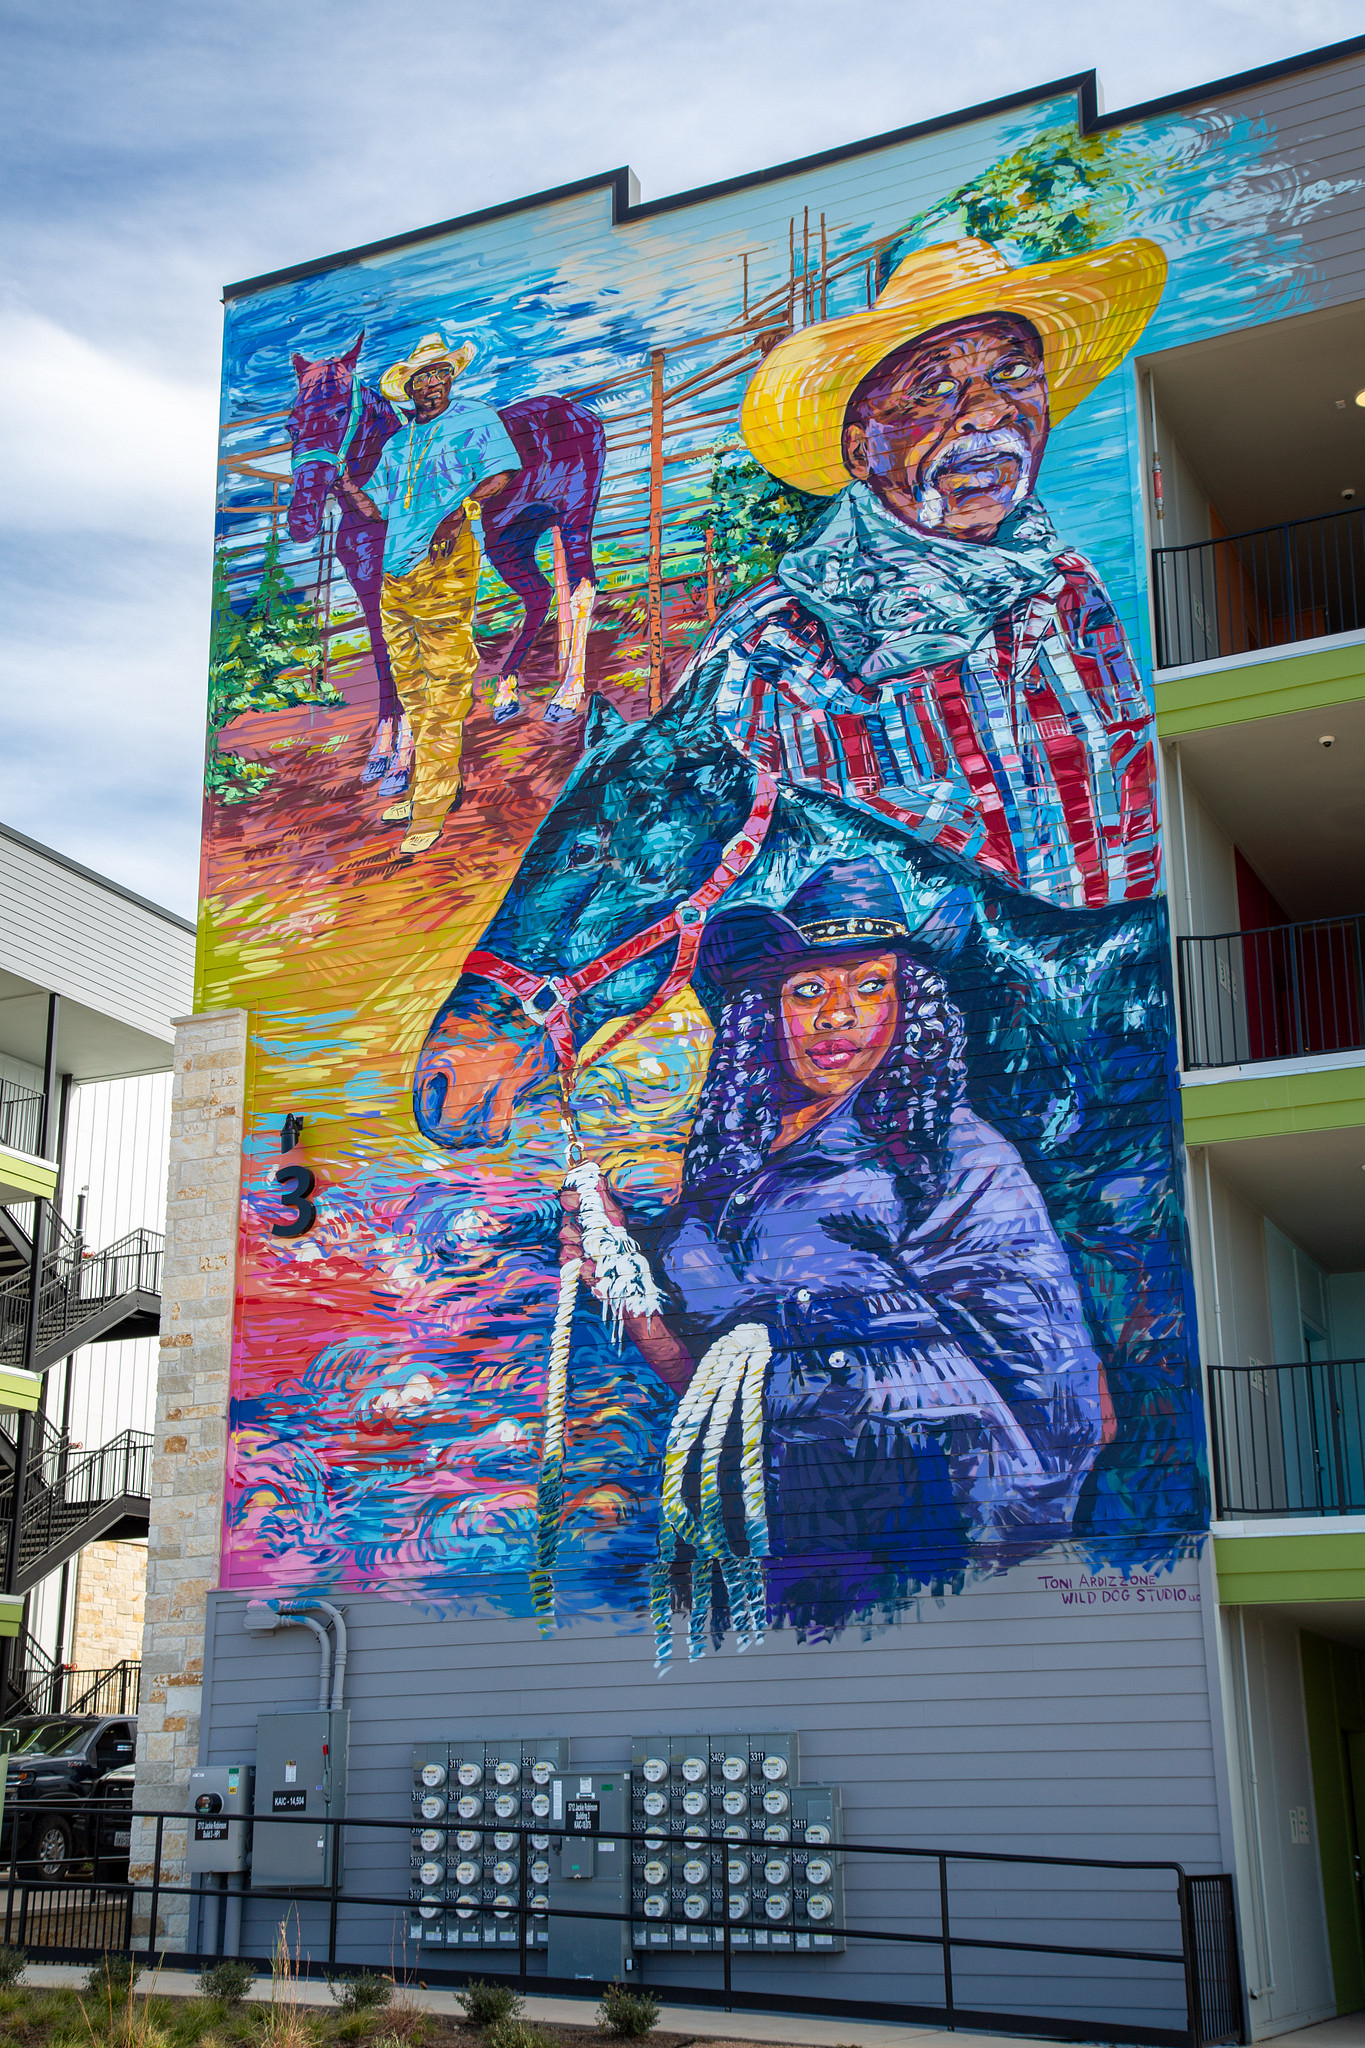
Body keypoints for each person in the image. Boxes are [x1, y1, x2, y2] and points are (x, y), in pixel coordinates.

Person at [559, 858, 1108, 1651]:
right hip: (774, 1540)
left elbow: (1056, 1388)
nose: (837, 1017)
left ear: (907, 1004)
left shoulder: (949, 1155)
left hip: (925, 1543)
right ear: (761, 1013)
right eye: (807, 990)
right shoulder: (726, 1170)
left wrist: (1000, 1569)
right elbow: (705, 1384)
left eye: (870, 986)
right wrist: (615, 1263)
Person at [693, 235, 1169, 910]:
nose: (988, 411)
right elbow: (708, 878)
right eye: (936, 389)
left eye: (1011, 375)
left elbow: (1132, 802)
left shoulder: (1067, 590)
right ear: (861, 450)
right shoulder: (772, 642)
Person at [336, 333, 520, 857]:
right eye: (423, 377)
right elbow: (376, 509)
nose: (433, 384)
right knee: (412, 684)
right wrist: (342, 483)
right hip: (398, 569)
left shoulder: (475, 417)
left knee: (444, 679)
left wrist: (459, 511)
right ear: (410, 387)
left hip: (449, 557)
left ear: (450, 378)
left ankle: (431, 808)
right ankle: (426, 785)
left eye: (440, 374)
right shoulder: (397, 445)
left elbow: (501, 473)